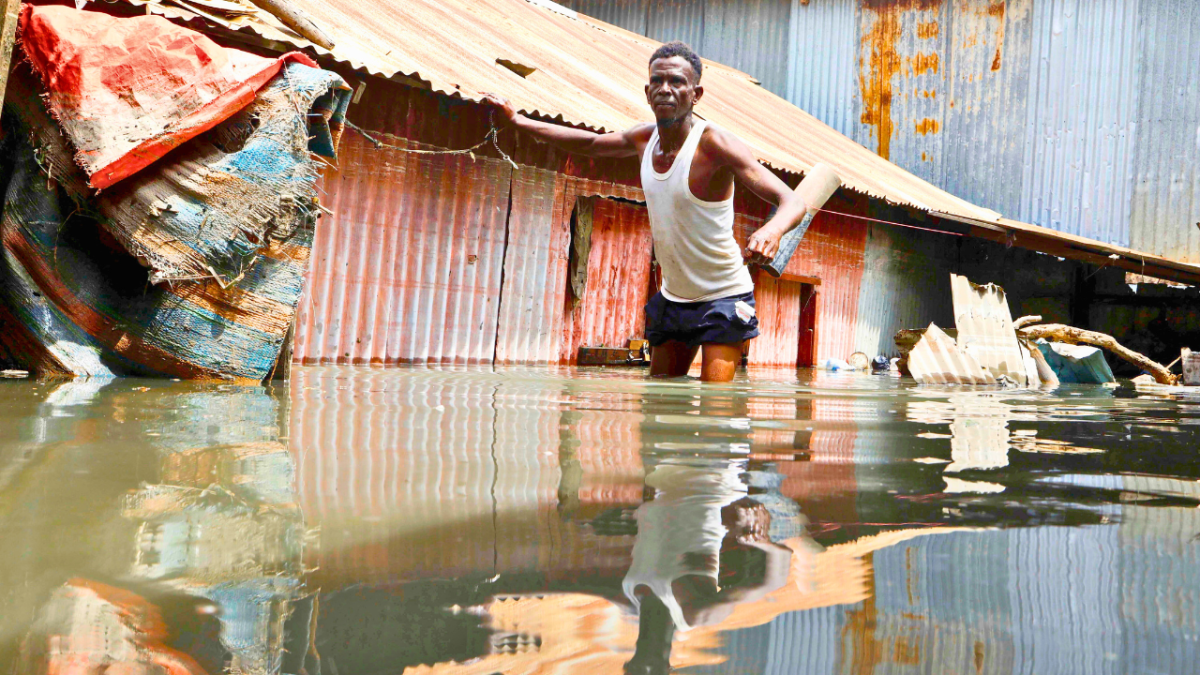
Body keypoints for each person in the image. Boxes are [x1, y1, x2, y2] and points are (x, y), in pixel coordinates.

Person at [482, 41, 812, 382]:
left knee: (718, 412)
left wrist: (771, 231)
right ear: (647, 89)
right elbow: (589, 144)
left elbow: (793, 201)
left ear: (696, 93)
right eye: (658, 81)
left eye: (677, 82)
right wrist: (518, 122)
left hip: (724, 296)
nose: (665, 89)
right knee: (661, 399)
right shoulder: (644, 139)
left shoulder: (715, 143)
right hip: (674, 297)